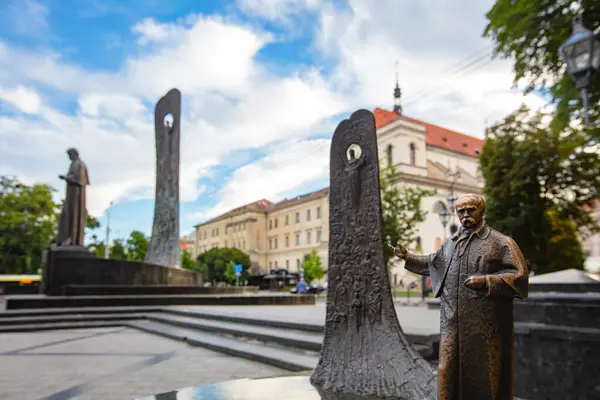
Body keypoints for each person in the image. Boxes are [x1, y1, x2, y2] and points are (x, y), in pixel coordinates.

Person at [393, 194, 528, 400]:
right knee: (448, 370)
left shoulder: (501, 243)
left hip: (484, 325)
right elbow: (432, 263)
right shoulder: (451, 243)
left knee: (483, 375)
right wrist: (407, 256)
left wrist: (487, 281)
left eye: (470, 210)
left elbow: (519, 276)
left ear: (482, 211)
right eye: (461, 211)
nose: (465, 215)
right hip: (452, 322)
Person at [56, 148, 90, 247]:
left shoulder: (80, 164)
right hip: (70, 193)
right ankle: (67, 238)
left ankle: (73, 239)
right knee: (67, 214)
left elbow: (79, 179)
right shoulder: (73, 164)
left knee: (74, 214)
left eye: (70, 155)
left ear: (74, 154)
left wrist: (66, 178)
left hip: (76, 195)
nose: (69, 157)